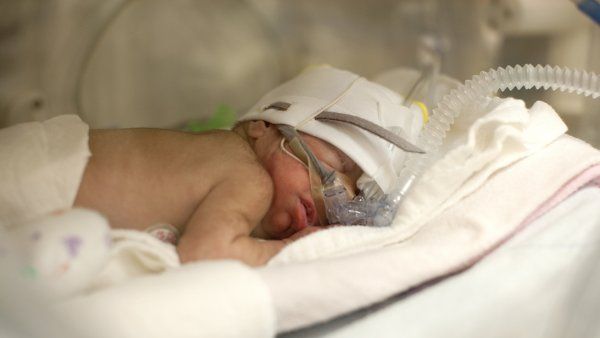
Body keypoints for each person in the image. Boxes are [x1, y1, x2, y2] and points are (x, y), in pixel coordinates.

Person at [74, 66, 426, 266]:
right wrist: (293, 248)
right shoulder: (249, 176)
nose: (330, 198)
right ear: (262, 128)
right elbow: (207, 255)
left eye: (344, 206)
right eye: (328, 165)